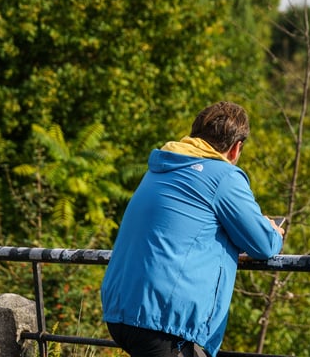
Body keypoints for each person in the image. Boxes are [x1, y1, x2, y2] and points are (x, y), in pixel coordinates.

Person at [101, 101, 284, 357]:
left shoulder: (160, 167)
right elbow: (262, 244)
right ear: (236, 148)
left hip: (122, 310)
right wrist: (274, 230)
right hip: (163, 321)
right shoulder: (224, 176)